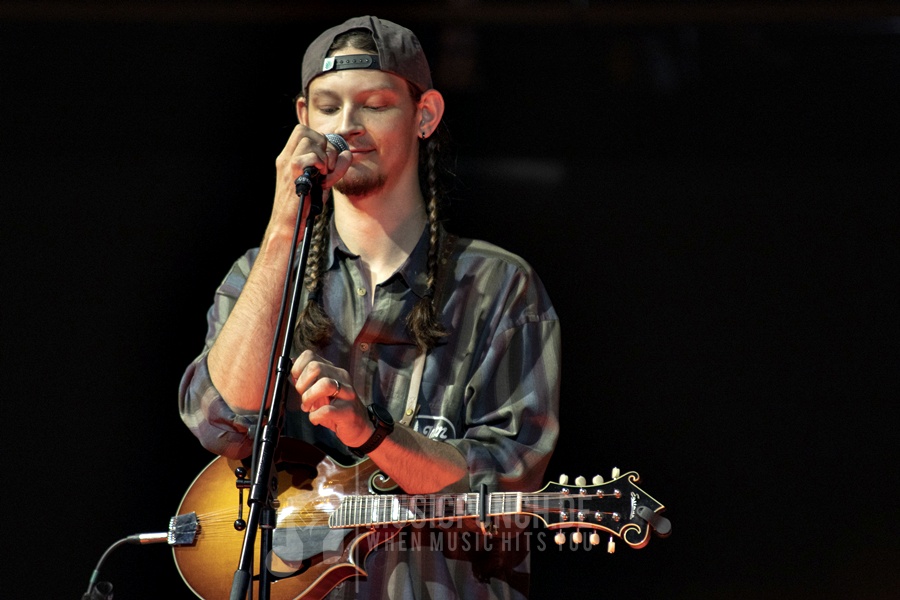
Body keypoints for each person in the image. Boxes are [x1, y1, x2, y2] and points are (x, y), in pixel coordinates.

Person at [179, 15, 560, 599]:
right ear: (303, 118)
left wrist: (371, 433)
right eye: (328, 108)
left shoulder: (500, 285)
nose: (345, 127)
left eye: (374, 105)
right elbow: (217, 420)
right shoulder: (258, 275)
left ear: (425, 115)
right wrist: (283, 225)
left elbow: (505, 481)